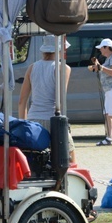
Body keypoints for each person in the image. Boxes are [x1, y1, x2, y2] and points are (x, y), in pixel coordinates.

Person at [18, 35, 76, 163]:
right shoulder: (63, 68)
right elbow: (60, 99)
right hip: (53, 118)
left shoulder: (32, 67)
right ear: (60, 50)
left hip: (33, 119)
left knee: (35, 161)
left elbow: (22, 101)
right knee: (70, 159)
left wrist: (24, 123)